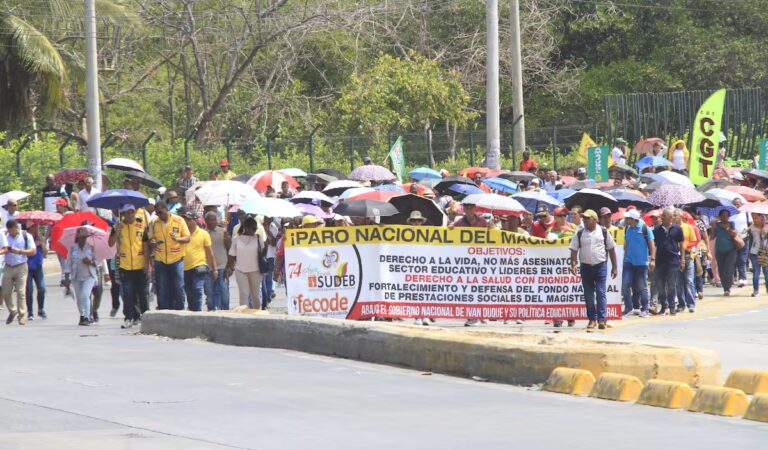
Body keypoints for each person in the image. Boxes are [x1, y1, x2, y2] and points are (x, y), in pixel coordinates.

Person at [569, 210, 618, 330]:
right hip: (586, 267)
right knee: (588, 295)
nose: (585, 220)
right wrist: (573, 264)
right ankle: (592, 319)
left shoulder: (603, 231)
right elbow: (574, 250)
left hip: (600, 266)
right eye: (584, 218)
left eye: (587, 218)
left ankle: (602, 319)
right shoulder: (579, 233)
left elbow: (611, 249)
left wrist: (615, 267)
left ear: (595, 219)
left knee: (601, 292)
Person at [108, 204, 150, 328]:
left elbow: (146, 245)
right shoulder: (118, 227)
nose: (130, 215)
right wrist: (117, 231)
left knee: (143, 293)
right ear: (123, 214)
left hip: (140, 264)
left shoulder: (141, 226)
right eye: (127, 212)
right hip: (125, 266)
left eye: (132, 212)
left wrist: (147, 263)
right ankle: (129, 318)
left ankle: (145, 316)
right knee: (128, 293)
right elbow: (110, 243)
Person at [150, 200, 190, 310]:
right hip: (160, 259)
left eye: (160, 212)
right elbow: (151, 238)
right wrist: (152, 241)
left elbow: (187, 238)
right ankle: (163, 309)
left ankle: (180, 308)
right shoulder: (154, 223)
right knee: (162, 286)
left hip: (177, 259)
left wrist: (177, 239)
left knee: (178, 286)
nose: (159, 215)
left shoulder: (179, 220)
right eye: (157, 213)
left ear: (166, 209)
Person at [180, 209, 215, 312]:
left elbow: (210, 253)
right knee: (189, 293)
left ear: (195, 220)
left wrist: (214, 269)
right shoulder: (181, 234)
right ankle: (193, 311)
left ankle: (198, 312)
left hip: (199, 266)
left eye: (188, 219)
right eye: (184, 219)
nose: (186, 222)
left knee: (197, 289)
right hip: (184, 267)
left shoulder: (204, 234)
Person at [621, 209, 655, 318]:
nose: (626, 220)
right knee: (625, 284)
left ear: (633, 219)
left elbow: (651, 245)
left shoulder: (645, 229)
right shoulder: (627, 229)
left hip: (641, 263)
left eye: (628, 218)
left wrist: (652, 259)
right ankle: (628, 307)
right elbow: (626, 245)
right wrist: (624, 258)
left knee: (642, 286)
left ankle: (645, 308)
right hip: (628, 262)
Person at [226, 217, 265, 308]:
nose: (254, 231)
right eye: (253, 228)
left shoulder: (258, 238)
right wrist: (228, 268)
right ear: (246, 227)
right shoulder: (236, 238)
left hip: (255, 270)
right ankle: (244, 315)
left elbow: (263, 253)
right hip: (240, 270)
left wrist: (265, 246)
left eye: (256, 229)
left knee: (255, 295)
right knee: (244, 293)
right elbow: (231, 254)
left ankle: (257, 313)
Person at [63, 227, 98, 326]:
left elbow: (97, 263)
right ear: (77, 238)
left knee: (84, 295)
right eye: (81, 237)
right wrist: (66, 278)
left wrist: (90, 262)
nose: (83, 239)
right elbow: (68, 264)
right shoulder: (73, 248)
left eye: (85, 237)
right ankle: (82, 315)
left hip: (89, 276)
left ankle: (86, 316)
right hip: (76, 277)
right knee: (79, 298)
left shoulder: (91, 247)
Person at [653, 207, 685, 315]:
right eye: (662, 215)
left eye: (664, 216)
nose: (662, 217)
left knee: (671, 285)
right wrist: (652, 258)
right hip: (660, 260)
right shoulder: (657, 229)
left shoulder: (677, 229)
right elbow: (653, 245)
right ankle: (664, 305)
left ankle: (672, 307)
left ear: (670, 218)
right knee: (660, 285)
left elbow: (681, 244)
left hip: (673, 260)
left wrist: (682, 259)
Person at [3, 220, 35, 325]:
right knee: (6, 292)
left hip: (21, 266)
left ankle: (22, 316)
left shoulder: (26, 235)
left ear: (16, 228)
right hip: (8, 266)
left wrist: (20, 251)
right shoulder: (5, 236)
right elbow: (3, 248)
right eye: (9, 230)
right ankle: (13, 310)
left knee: (21, 292)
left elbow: (33, 251)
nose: (11, 232)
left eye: (12, 230)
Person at [204, 211, 231, 311]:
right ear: (206, 220)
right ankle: (211, 311)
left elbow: (229, 247)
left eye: (214, 220)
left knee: (224, 292)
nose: (212, 222)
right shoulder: (203, 233)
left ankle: (225, 311)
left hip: (222, 266)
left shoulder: (223, 231)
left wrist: (227, 237)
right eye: (210, 220)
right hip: (208, 267)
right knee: (209, 294)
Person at [674, 209, 698, 313]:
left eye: (675, 215)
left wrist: (685, 246)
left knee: (689, 281)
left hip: (688, 255)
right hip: (677, 256)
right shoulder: (672, 228)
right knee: (679, 282)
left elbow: (694, 241)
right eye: (673, 215)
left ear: (680, 216)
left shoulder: (688, 227)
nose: (674, 217)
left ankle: (691, 304)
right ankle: (681, 304)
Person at [713, 209, 739, 296]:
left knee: (728, 269)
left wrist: (727, 228)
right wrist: (713, 227)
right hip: (719, 250)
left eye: (727, 215)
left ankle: (727, 288)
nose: (725, 217)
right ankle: (725, 287)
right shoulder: (717, 225)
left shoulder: (731, 224)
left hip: (731, 250)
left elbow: (734, 234)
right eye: (723, 215)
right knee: (721, 269)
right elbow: (712, 236)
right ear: (720, 216)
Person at [24, 222, 47, 321]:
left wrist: (41, 244)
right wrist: (33, 245)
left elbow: (45, 253)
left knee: (41, 288)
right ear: (30, 227)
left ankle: (41, 309)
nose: (37, 228)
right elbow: (22, 252)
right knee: (29, 290)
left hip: (38, 266)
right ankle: (30, 311)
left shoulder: (39, 237)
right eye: (34, 226)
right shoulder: (25, 237)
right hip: (27, 266)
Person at [748, 213, 768, 297]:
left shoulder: (766, 227)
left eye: (756, 218)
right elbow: (750, 238)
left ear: (762, 218)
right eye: (754, 218)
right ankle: (756, 290)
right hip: (754, 252)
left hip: (764, 252)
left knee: (766, 272)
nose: (755, 220)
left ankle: (764, 289)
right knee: (756, 271)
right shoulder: (751, 227)